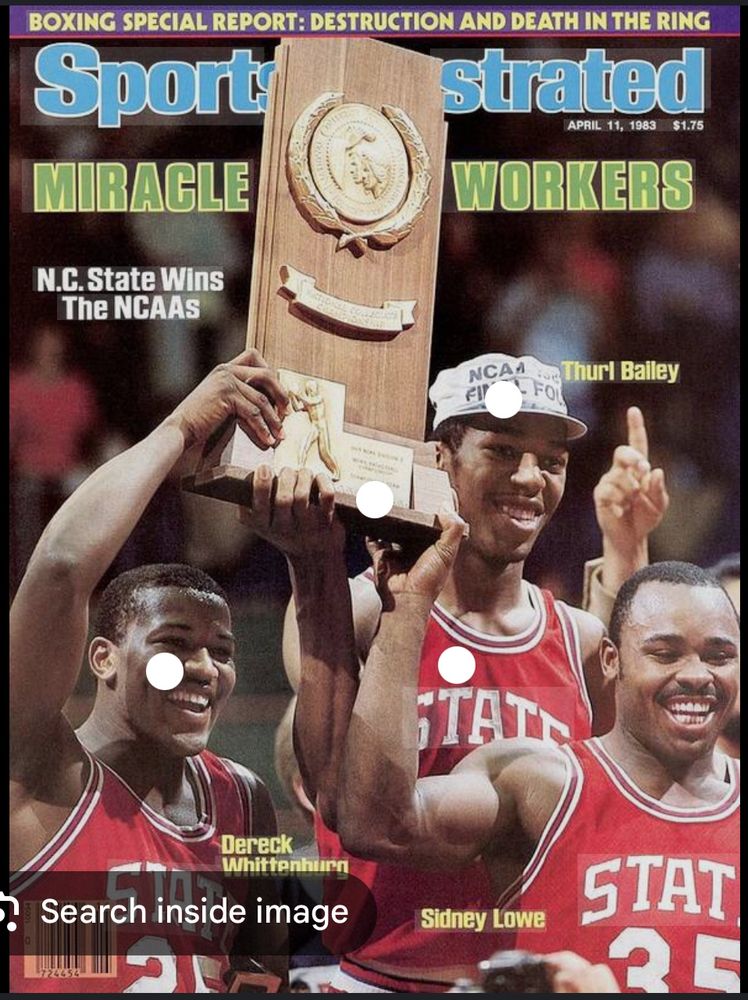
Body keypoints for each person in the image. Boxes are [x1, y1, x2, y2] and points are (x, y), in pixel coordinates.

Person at [280, 353, 669, 992]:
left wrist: (626, 547)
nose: (529, 477)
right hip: (378, 977)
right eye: (503, 450)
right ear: (442, 460)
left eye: (551, 461)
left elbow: (619, 797)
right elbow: (333, 795)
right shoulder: (360, 609)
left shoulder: (580, 638)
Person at [337, 536, 740, 994]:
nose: (696, 675)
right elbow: (377, 825)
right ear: (611, 660)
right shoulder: (542, 781)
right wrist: (407, 610)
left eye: (719, 656)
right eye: (665, 653)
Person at [10, 350, 290, 993]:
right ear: (102, 656)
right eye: (174, 642)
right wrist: (179, 430)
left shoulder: (243, 799)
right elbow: (60, 568)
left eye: (222, 651)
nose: (204, 668)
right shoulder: (37, 767)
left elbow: (260, 979)